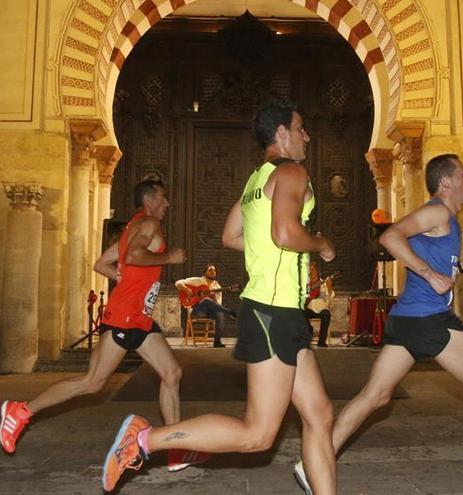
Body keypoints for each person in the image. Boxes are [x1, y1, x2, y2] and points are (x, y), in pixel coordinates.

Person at [100, 98, 338, 494]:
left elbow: (231, 237)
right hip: (274, 312)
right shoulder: (293, 172)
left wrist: (270, 247)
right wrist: (322, 243)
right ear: (281, 133)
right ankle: (144, 440)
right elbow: (285, 234)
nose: (306, 136)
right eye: (300, 128)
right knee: (257, 435)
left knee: (320, 414)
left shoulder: (255, 180)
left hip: (276, 311)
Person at [294, 154, 463, 495]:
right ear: (447, 182)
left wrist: (461, 267)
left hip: (407, 319)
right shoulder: (437, 210)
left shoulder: (448, 219)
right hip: (427, 319)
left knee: (375, 396)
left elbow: (435, 265)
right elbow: (390, 237)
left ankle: (314, 462)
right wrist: (428, 273)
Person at [0, 180, 208, 472]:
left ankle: (173, 449)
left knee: (172, 373)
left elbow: (101, 264)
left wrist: (121, 278)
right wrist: (168, 257)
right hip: (124, 317)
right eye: (163, 197)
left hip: (139, 318)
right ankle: (20, 411)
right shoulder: (148, 224)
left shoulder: (130, 228)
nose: (167, 204)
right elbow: (134, 256)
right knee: (93, 382)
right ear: (149, 200)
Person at [175, 264, 237, 347]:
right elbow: (178, 283)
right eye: (210, 270)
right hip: (197, 311)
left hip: (210, 312)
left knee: (220, 314)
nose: (213, 272)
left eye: (214, 270)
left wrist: (213, 297)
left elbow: (218, 305)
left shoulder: (217, 287)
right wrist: (186, 289)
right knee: (206, 300)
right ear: (205, 272)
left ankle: (217, 341)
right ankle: (229, 312)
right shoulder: (198, 281)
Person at [304, 261, 334, 347]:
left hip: (321, 308)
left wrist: (330, 288)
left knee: (326, 314)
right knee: (300, 313)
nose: (310, 271)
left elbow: (330, 300)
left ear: (317, 271)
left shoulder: (323, 283)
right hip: (309, 307)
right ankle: (309, 330)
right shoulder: (305, 284)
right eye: (309, 269)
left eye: (312, 269)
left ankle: (321, 341)